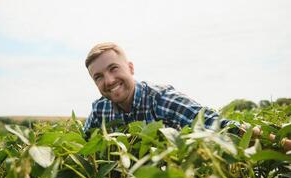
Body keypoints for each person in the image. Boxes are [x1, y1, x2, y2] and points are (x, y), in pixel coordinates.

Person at [83, 42, 291, 151]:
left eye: (113, 69)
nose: (109, 81)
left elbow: (220, 125)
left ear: (130, 68)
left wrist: (282, 145)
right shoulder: (100, 110)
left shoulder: (160, 99)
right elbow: (84, 145)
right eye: (98, 77)